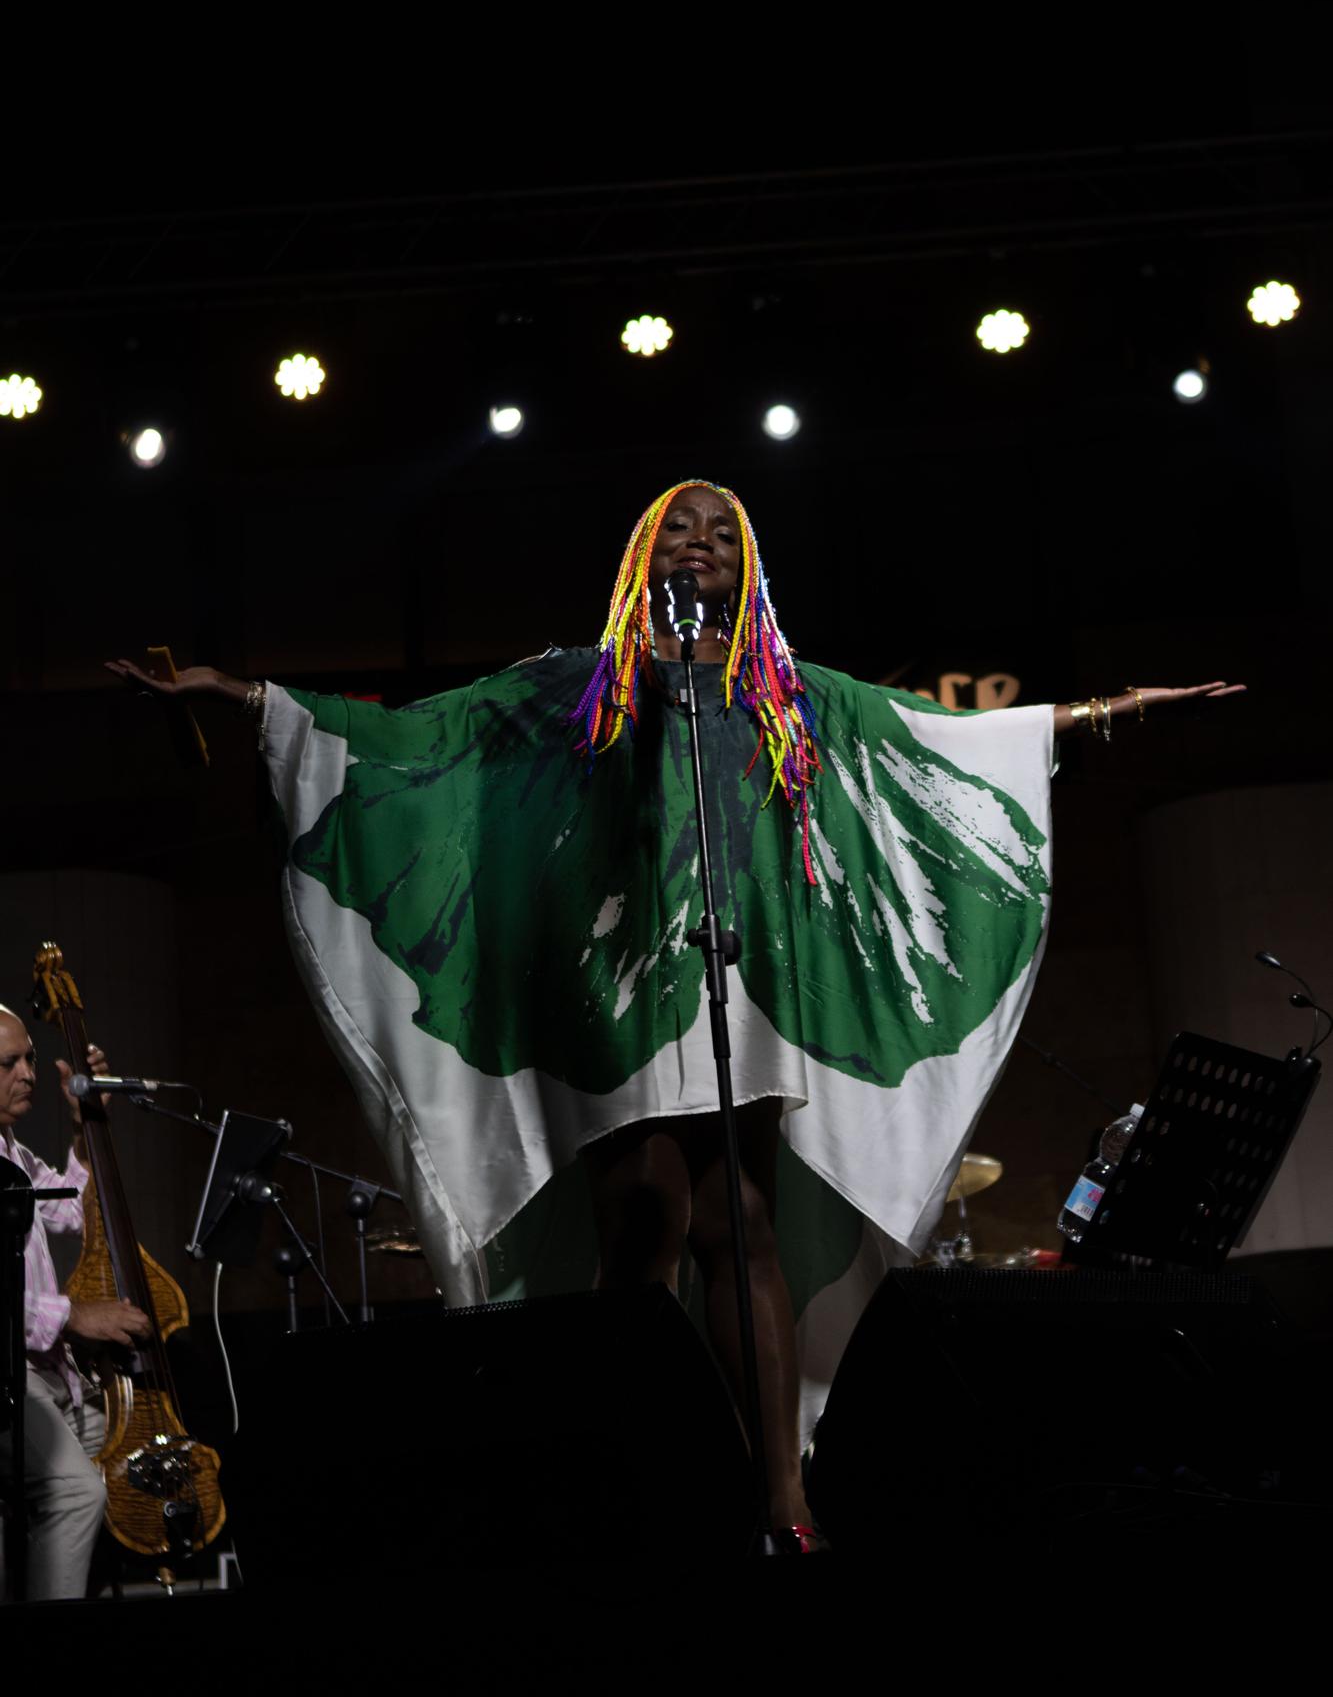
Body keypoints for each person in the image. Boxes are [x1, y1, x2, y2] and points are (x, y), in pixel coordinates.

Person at [107, 479, 1242, 1547]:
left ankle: (782, 1490)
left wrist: (1112, 709)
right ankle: (635, 1475)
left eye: (720, 531)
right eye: (679, 527)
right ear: (642, 555)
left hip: (734, 987)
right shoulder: (572, 685)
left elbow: (930, 737)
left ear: (746, 562)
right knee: (642, 1212)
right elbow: (427, 737)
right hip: (617, 987)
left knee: (733, 1215)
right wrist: (248, 698)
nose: (699, 540)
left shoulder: (786, 689)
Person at [0, 1008, 151, 1601]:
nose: (28, 1074)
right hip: (9, 1373)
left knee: (130, 1460)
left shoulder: (13, 1154)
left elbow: (75, 1213)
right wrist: (75, 1314)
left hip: (46, 1369)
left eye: (30, 1058)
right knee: (74, 1490)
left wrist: (83, 1127)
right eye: (8, 1063)